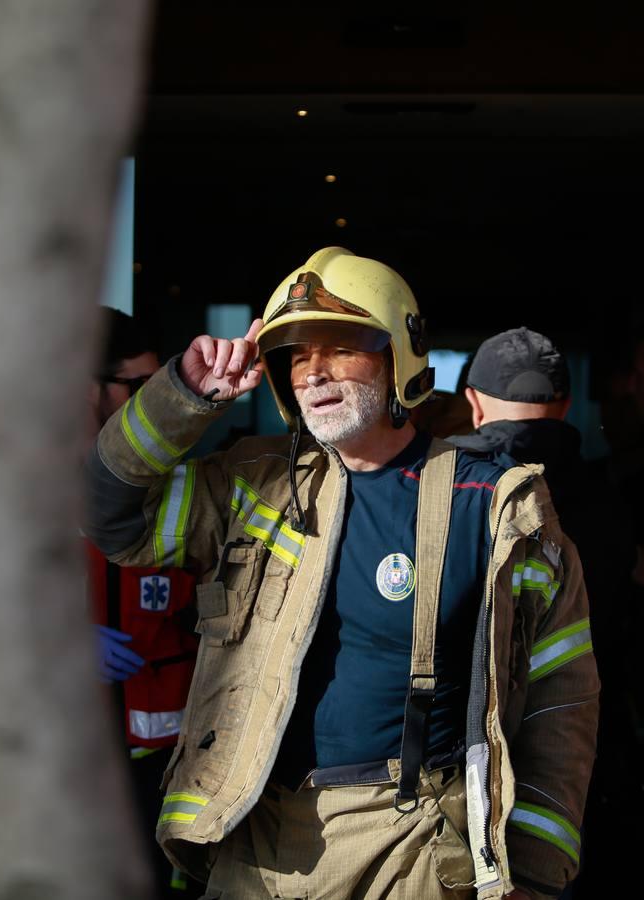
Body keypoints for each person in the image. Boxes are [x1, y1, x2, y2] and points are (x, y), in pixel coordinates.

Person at [84, 247, 599, 900]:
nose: (314, 373)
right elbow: (112, 515)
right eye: (296, 355)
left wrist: (533, 873)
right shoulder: (255, 484)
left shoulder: (494, 507)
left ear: (399, 355)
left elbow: (563, 697)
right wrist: (180, 397)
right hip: (256, 836)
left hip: (410, 850)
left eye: (339, 347)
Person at [447, 328, 636, 897]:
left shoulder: (448, 490)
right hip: (589, 751)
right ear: (568, 408)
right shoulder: (608, 495)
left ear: (473, 403)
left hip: (467, 769)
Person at [85, 308, 202, 896]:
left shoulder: (182, 483)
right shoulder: (18, 487)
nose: (153, 405)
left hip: (169, 766)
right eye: (138, 389)